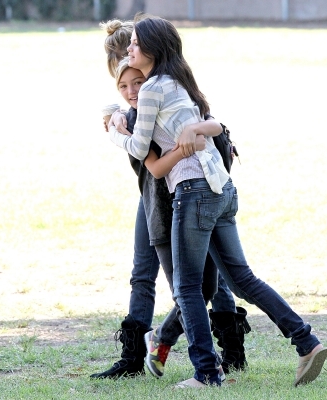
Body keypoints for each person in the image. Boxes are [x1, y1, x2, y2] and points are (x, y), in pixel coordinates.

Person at [108, 14, 327, 388]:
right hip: (222, 189)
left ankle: (207, 373)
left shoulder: (151, 91)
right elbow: (213, 126)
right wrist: (193, 130)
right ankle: (306, 341)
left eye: (135, 44)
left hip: (192, 194)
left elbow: (143, 151)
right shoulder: (180, 81)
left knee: (189, 288)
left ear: (152, 49)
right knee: (242, 278)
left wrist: (116, 130)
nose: (129, 49)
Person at [91, 20, 251, 380]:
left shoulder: (161, 92)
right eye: (123, 84)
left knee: (197, 282)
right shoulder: (143, 101)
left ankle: (207, 355)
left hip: (181, 195)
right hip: (156, 195)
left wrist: (118, 126)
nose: (132, 89)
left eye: (136, 79)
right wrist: (119, 116)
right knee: (181, 278)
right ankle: (148, 352)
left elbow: (208, 126)